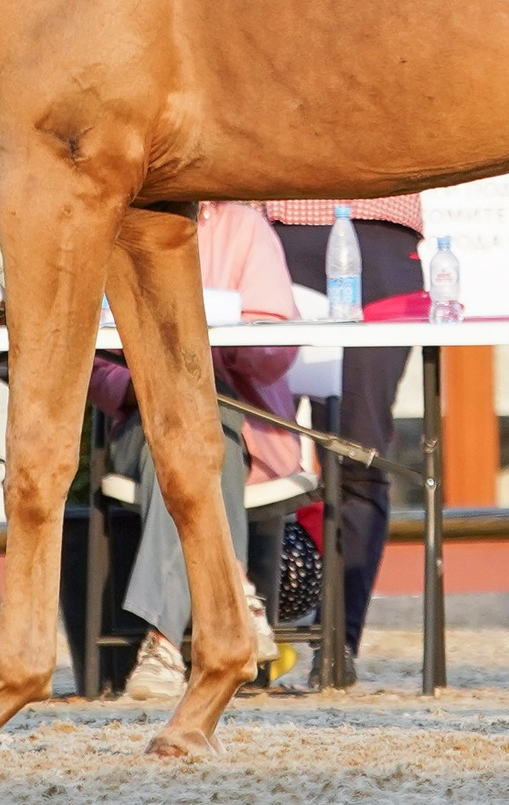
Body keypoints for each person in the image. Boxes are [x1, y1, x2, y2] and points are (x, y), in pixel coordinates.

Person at [90, 202, 294, 700]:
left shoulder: (243, 227)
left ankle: (162, 647)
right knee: (186, 427)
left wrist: (202, 349)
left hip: (242, 421)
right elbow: (89, 357)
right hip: (143, 419)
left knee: (201, 422)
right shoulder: (119, 228)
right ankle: (235, 592)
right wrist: (149, 380)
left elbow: (277, 345)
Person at [259, 194, 427, 673]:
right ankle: (250, 636)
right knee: (253, 455)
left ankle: (338, 642)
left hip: (379, 240)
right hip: (274, 236)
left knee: (358, 456)